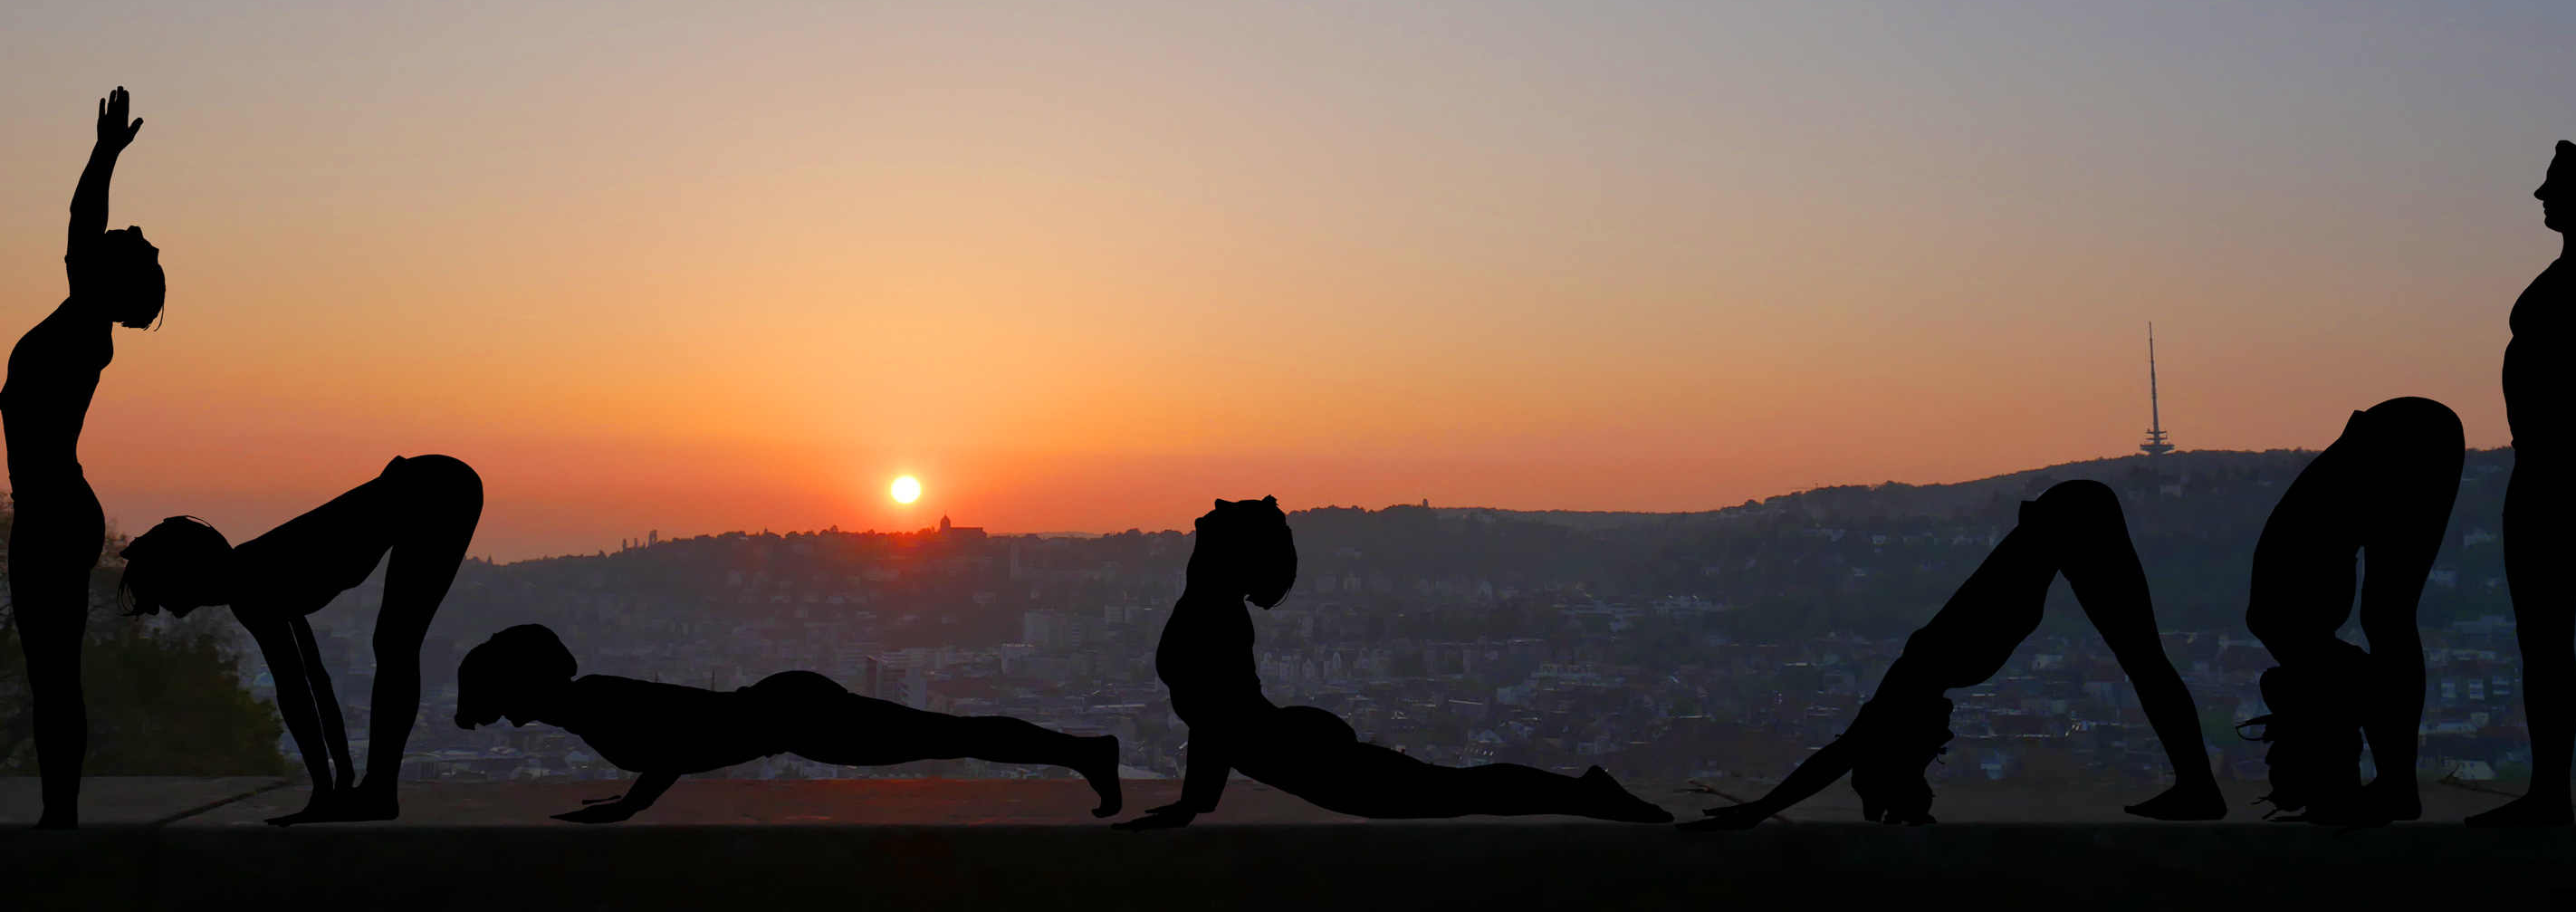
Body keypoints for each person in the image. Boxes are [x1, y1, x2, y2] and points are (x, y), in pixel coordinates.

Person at [1679, 479, 2226, 830]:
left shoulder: (1914, 680)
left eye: (1921, 761)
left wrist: (1757, 811)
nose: (1942, 742)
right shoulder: (1932, 677)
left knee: (2144, 662)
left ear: (1894, 748)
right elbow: (1852, 751)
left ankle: (2198, 788)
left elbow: (1842, 752)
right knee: (2144, 662)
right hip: (2073, 516)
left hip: (2074, 515)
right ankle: (2197, 786)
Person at [1115, 497, 1671, 830]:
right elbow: (1216, 721)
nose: (1201, 530)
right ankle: (1584, 792)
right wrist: (1196, 804)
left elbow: (1216, 722)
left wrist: (1193, 806)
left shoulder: (1211, 614)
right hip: (1291, 744)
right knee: (1450, 789)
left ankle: (1585, 794)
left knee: (1453, 792)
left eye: (1209, 536)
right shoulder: (1211, 610)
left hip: (1299, 754)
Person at [114, 454, 484, 825]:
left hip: (439, 490)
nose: (171, 612)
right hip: (434, 485)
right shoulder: (252, 577)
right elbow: (312, 681)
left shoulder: (251, 588)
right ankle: (377, 792)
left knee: (394, 644)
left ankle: (378, 793)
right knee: (393, 644)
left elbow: (299, 691)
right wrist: (331, 787)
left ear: (184, 575)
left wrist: (328, 791)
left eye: (164, 597)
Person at [453, 623, 1124, 822]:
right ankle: (1087, 753)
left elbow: (678, 746)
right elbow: (676, 744)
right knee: (951, 733)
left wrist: (630, 805)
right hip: (788, 712)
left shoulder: (592, 704)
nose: (501, 717)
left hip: (798, 717)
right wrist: (631, 799)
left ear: (524, 685)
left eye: (498, 699)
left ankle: (1088, 753)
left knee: (953, 735)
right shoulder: (584, 708)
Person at [2467, 142, 2576, 828]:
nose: (2540, 197)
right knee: (2541, 639)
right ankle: (2547, 791)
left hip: (2553, 466)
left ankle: (2549, 795)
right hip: (2548, 461)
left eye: (2552, 187)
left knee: (2544, 640)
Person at [5, 87, 161, 830]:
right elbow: (83, 225)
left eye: (127, 241)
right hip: (55, 509)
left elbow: (81, 222)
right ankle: (57, 813)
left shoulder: (82, 322)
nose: (122, 230)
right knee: (50, 674)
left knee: (53, 676)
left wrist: (104, 155)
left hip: (54, 515)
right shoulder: (79, 323)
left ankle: (58, 818)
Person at [2241, 397, 2464, 826]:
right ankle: (2389, 784)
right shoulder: (2287, 619)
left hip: (2403, 439)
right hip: (2408, 434)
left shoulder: (2288, 618)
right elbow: (2347, 682)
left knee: (2386, 621)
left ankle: (2390, 785)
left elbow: (2347, 682)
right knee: (2386, 620)